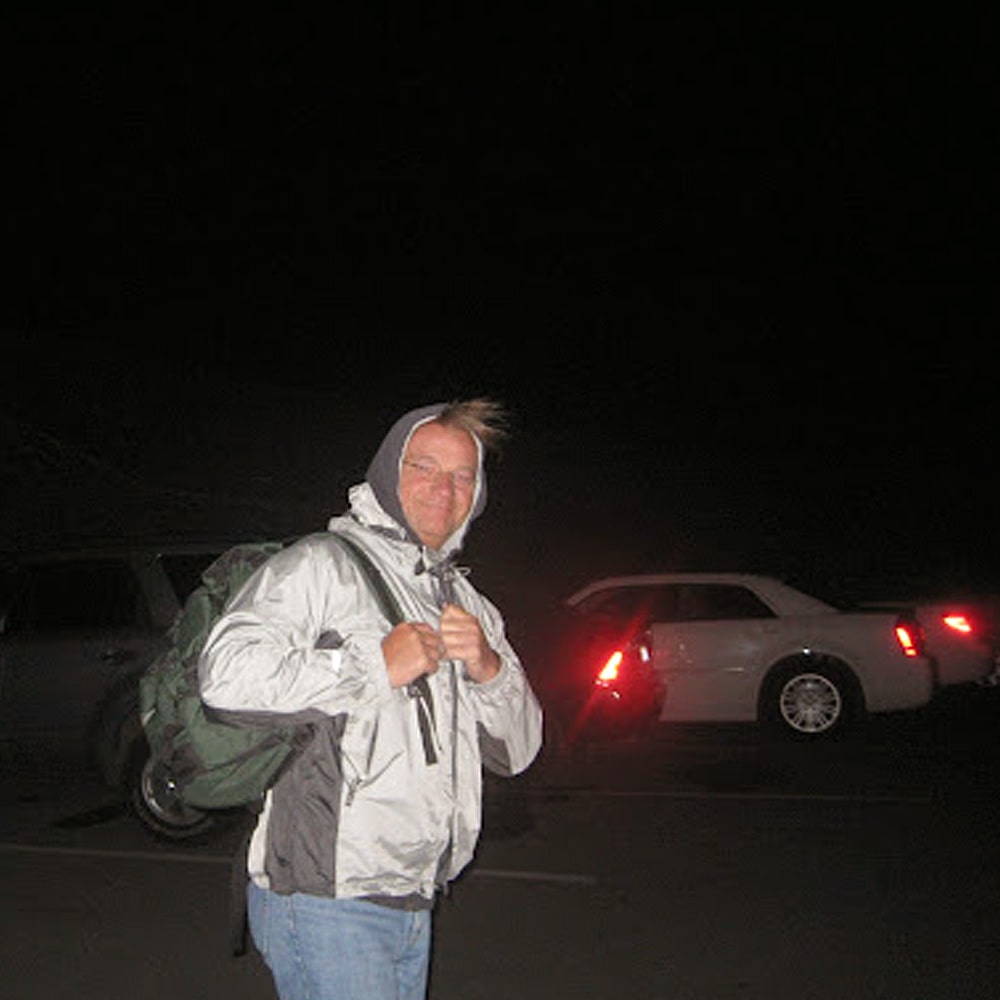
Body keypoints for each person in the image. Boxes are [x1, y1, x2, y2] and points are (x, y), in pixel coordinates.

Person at [199, 399, 543, 1000]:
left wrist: (489, 670)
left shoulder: (466, 603)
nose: (444, 489)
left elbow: (519, 752)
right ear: (388, 474)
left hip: (414, 897)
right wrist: (372, 667)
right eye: (424, 467)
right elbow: (225, 674)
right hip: (328, 898)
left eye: (463, 476)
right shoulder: (322, 567)